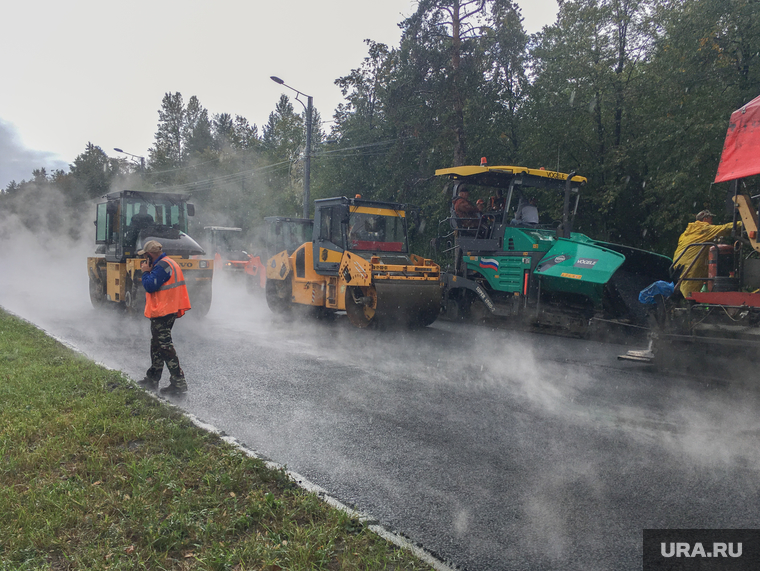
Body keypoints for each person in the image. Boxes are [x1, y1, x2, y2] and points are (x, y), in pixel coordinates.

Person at [136, 240, 191, 395]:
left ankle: (178, 383)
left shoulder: (162, 266)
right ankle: (152, 379)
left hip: (163, 311)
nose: (145, 260)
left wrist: (146, 271)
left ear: (150, 255)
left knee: (165, 346)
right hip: (166, 309)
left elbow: (150, 285)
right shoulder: (169, 263)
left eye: (146, 257)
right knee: (157, 345)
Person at [672, 210, 738, 298]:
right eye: (711, 218)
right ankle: (693, 307)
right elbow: (725, 228)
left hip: (679, 265)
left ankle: (692, 304)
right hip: (692, 266)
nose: (712, 221)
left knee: (690, 287)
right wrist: (745, 223)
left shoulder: (687, 232)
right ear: (705, 219)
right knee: (692, 292)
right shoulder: (704, 228)